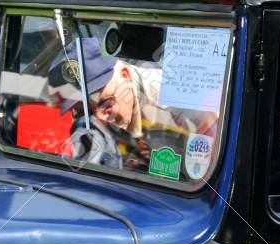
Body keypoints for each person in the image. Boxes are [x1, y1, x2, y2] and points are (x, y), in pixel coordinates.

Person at [47, 37, 205, 173]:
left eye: (106, 104)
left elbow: (203, 168)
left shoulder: (178, 96)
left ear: (125, 75)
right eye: (85, 112)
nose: (100, 119)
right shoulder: (109, 119)